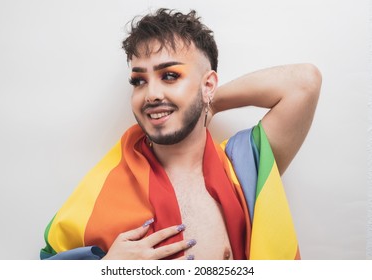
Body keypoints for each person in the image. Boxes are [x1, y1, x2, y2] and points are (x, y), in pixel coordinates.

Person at [40, 8, 321, 260]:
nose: (151, 95)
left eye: (170, 76)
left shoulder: (244, 169)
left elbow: (304, 82)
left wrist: (209, 103)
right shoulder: (105, 187)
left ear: (208, 84)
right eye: (139, 81)